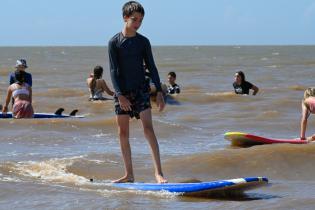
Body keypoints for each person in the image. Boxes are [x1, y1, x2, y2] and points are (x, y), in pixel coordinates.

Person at [108, 1, 167, 183]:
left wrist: (158, 91)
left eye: (140, 20)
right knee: (122, 133)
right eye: (134, 19)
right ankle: (129, 174)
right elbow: (113, 70)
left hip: (141, 89)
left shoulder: (143, 42)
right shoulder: (114, 42)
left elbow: (152, 67)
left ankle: (159, 173)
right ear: (125, 18)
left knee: (148, 129)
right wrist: (120, 95)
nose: (137, 23)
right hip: (122, 93)